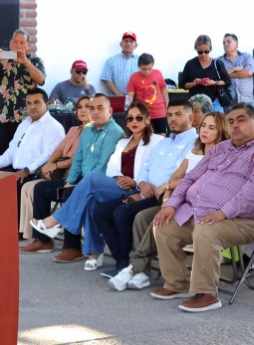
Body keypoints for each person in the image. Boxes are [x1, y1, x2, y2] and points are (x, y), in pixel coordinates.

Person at [149, 103, 254, 312]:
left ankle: (207, 294)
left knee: (207, 232)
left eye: (241, 120)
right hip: (199, 212)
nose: (235, 126)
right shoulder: (221, 148)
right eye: (231, 121)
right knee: (164, 225)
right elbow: (190, 178)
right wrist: (171, 205)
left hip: (243, 220)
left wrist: (223, 212)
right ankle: (177, 284)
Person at [30, 102, 164, 268]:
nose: (134, 121)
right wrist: (117, 177)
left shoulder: (157, 141)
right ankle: (95, 253)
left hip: (138, 188)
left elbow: (154, 168)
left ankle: (55, 221)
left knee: (92, 178)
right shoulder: (123, 142)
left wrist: (135, 181)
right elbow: (112, 167)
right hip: (120, 185)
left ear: (147, 119)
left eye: (139, 118)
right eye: (130, 118)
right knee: (91, 198)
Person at [110, 112, 231, 291]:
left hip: (199, 207)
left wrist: (168, 185)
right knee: (143, 217)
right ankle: (141, 272)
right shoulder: (194, 150)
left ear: (221, 130)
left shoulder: (221, 154)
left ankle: (134, 267)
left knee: (159, 221)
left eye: (211, 128)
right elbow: (178, 176)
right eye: (204, 125)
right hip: (177, 200)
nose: (204, 130)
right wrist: (167, 199)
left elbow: (197, 181)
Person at [94, 99, 198, 280]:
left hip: (167, 197)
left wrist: (158, 187)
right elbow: (146, 168)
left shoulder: (194, 143)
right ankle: (122, 262)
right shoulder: (165, 142)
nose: (172, 119)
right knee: (101, 211)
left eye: (178, 114)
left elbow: (182, 175)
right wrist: (142, 183)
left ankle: (131, 265)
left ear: (191, 117)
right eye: (170, 115)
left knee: (122, 214)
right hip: (145, 192)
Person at [19, 93, 124, 254]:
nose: (90, 111)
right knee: (41, 189)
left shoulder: (112, 132)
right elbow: (74, 157)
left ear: (109, 111)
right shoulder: (84, 130)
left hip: (97, 182)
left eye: (94, 108)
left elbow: (101, 165)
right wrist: (68, 177)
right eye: (84, 107)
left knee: (68, 193)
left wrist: (73, 179)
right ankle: (44, 240)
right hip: (77, 178)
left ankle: (72, 247)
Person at [0, 87, 64, 227]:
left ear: (47, 104)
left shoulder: (53, 127)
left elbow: (48, 155)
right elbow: (12, 150)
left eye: (36, 102)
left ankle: (15, 231)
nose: (32, 106)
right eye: (29, 103)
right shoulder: (24, 124)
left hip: (35, 173)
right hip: (15, 170)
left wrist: (27, 170)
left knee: (14, 185)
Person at [19, 95, 92, 239]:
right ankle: (30, 235)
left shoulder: (93, 132)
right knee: (27, 186)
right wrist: (48, 166)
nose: (83, 110)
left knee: (38, 188)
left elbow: (79, 159)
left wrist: (56, 165)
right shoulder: (73, 130)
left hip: (75, 177)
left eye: (87, 107)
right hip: (60, 174)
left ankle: (43, 239)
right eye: (80, 107)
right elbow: (58, 150)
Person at [0, 28, 46, 157]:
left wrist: (26, 62)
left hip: (26, 117)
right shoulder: (1, 61)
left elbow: (41, 80)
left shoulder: (35, 61)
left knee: (24, 154)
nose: (18, 46)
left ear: (27, 46)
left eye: (22, 43)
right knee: (3, 155)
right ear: (10, 43)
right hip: (4, 117)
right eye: (16, 42)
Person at [180, 35, 233, 113]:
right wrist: (194, 83)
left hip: (214, 102)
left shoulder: (217, 63)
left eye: (206, 51)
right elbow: (182, 84)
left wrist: (214, 82)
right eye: (200, 52)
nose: (203, 54)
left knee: (218, 124)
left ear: (210, 49)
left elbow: (227, 81)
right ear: (196, 49)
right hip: (195, 105)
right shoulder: (190, 64)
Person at [127, 53, 169, 134]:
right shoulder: (134, 77)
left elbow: (163, 89)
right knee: (145, 136)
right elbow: (131, 94)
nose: (147, 72)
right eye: (144, 69)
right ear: (139, 66)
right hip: (143, 113)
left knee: (161, 135)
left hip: (159, 112)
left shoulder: (158, 73)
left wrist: (167, 104)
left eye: (149, 69)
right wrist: (129, 103)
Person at [218, 33, 254, 105]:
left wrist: (227, 74)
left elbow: (248, 73)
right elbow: (218, 76)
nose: (225, 44)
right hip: (228, 101)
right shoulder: (218, 61)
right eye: (224, 43)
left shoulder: (247, 57)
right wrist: (235, 68)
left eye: (228, 42)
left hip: (247, 100)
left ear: (237, 44)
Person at [100, 31, 139, 96]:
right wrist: (118, 94)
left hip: (136, 99)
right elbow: (107, 79)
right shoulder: (111, 60)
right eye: (126, 41)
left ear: (136, 45)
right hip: (117, 98)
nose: (128, 43)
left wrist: (134, 95)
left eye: (131, 41)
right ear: (121, 44)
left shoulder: (141, 60)